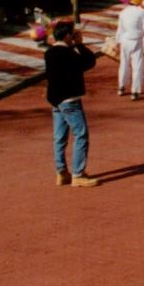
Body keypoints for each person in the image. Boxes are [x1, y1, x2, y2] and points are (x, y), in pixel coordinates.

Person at [45, 18, 99, 187]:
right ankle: (78, 174)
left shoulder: (49, 53)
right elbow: (89, 61)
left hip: (56, 99)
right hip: (70, 99)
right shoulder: (69, 54)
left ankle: (61, 171)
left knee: (59, 137)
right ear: (69, 35)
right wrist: (80, 44)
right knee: (81, 134)